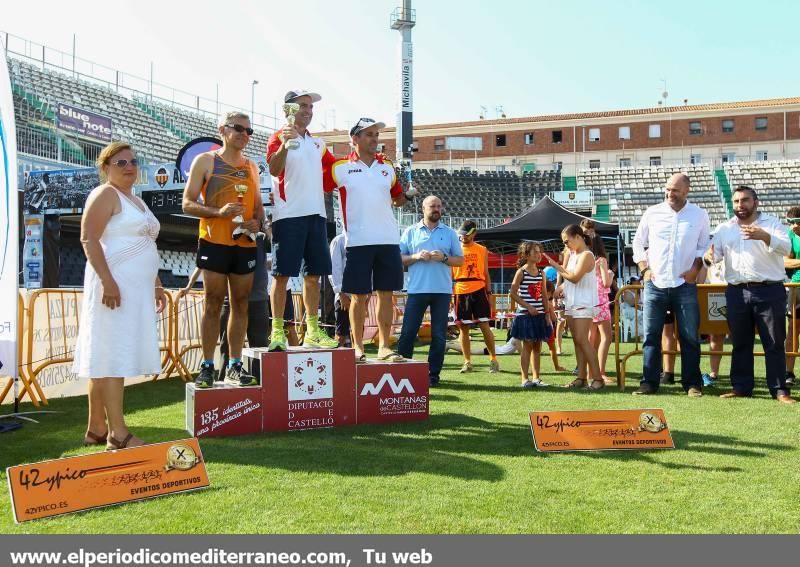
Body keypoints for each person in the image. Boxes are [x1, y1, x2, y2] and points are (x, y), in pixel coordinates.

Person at [73, 142, 165, 450]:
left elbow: (145, 244)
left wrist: (155, 280)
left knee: (105, 352)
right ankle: (118, 434)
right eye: (121, 162)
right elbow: (88, 238)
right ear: (106, 167)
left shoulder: (136, 200)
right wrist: (108, 281)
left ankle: (96, 429)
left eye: (133, 162)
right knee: (112, 356)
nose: (129, 167)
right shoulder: (104, 194)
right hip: (113, 286)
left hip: (135, 288)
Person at [182, 111, 264, 388]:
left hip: (244, 243)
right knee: (213, 302)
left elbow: (258, 209)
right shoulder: (205, 161)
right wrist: (219, 212)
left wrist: (256, 222)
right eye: (238, 128)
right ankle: (207, 366)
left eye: (248, 131)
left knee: (241, 304)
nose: (244, 134)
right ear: (222, 130)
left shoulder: (252, 166)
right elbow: (187, 203)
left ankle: (234, 365)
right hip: (214, 241)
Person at [324, 118, 412, 362]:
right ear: (355, 139)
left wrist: (407, 196)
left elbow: (397, 199)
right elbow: (319, 183)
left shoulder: (388, 167)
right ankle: (357, 347)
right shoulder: (340, 167)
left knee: (386, 294)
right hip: (358, 241)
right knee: (359, 296)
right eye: (369, 134)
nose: (375, 138)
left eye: (376, 134)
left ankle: (384, 346)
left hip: (388, 239)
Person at [706, 186, 795, 404]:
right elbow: (712, 256)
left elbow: (786, 248)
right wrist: (708, 257)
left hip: (769, 289)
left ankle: (779, 390)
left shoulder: (772, 224)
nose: (740, 205)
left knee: (774, 341)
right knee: (740, 342)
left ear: (756, 202)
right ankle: (741, 387)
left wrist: (764, 236)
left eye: (745, 200)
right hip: (737, 290)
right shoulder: (725, 228)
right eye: (736, 201)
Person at [266, 90, 338, 351]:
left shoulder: (318, 144)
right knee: (282, 275)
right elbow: (274, 169)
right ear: (289, 110)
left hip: (316, 215)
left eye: (310, 106)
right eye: (302, 106)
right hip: (288, 215)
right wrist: (285, 145)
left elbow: (336, 171)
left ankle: (313, 331)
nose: (308, 110)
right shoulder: (278, 136)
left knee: (313, 276)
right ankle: (277, 331)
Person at [632, 173, 710, 397]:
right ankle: (648, 383)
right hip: (655, 284)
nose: (669, 193)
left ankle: (693, 384)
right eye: (667, 189)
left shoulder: (699, 215)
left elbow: (704, 246)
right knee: (650, 336)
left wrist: (695, 270)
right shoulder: (652, 212)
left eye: (675, 190)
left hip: (685, 285)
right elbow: (638, 243)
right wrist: (645, 269)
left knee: (689, 336)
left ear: (687, 191)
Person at [397, 196, 464, 386]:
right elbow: (398, 258)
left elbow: (459, 260)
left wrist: (444, 258)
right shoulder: (410, 232)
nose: (436, 209)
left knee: (439, 335)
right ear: (423, 208)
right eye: (432, 206)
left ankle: (433, 375)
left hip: (442, 291)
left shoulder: (450, 233)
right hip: (417, 290)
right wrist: (416, 256)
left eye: (439, 206)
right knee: (408, 332)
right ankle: (404, 372)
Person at [546, 225, 603, 390]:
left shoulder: (586, 255)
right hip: (572, 302)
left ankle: (598, 379)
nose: (566, 245)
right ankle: (581, 378)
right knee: (578, 342)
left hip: (583, 302)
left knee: (582, 340)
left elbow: (575, 277)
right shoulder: (572, 255)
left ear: (578, 236)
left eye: (567, 241)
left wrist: (557, 268)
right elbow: (570, 278)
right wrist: (560, 288)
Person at [451, 220, 499, 374]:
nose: (464, 237)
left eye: (467, 234)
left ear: (474, 233)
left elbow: (485, 272)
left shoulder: (481, 249)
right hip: (460, 290)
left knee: (485, 326)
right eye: (462, 234)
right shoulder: (454, 249)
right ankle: (467, 362)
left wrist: (489, 292)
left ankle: (493, 359)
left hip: (479, 289)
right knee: (463, 329)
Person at [509, 241, 555, 388]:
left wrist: (547, 313)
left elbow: (543, 295)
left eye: (539, 251)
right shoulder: (521, 272)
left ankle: (536, 378)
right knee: (527, 346)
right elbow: (513, 294)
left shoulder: (542, 273)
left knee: (537, 347)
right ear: (526, 255)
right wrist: (528, 307)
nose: (538, 254)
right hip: (525, 315)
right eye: (535, 252)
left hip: (540, 315)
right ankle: (524, 379)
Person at [581, 219, 614, 384]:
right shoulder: (601, 260)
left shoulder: (584, 259)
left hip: (588, 301)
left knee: (590, 339)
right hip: (601, 302)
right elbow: (607, 283)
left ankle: (589, 373)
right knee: (606, 337)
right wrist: (611, 275)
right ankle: (600, 372)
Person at [784, 206, 800, 386]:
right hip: (796, 286)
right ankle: (788, 371)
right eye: (790, 223)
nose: (793, 226)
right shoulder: (790, 237)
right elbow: (785, 261)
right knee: (792, 330)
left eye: (796, 222)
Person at [328, 232, 351, 347]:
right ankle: (337, 361)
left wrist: (368, 296)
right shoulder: (339, 240)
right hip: (344, 296)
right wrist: (341, 293)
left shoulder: (363, 239)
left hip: (360, 297)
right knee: (341, 333)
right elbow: (333, 268)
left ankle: (356, 360)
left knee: (358, 332)